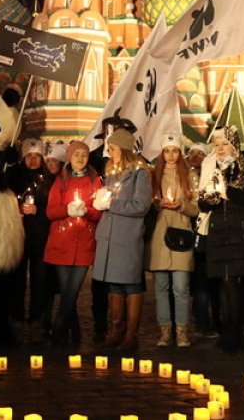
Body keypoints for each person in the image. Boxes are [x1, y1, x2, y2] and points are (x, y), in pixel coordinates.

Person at [199, 125, 244, 353]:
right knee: (225, 282)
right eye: (216, 145)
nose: (220, 149)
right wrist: (211, 198)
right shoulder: (211, 167)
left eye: (224, 144)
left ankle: (243, 331)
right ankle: (228, 331)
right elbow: (202, 202)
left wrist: (228, 191)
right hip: (220, 232)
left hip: (242, 232)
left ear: (234, 144)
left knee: (242, 284)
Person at [91, 128, 152, 351]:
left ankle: (131, 335)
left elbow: (141, 205)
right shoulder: (112, 172)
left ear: (124, 149)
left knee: (131, 285)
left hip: (127, 237)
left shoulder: (140, 173)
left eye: (113, 148)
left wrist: (111, 204)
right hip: (109, 236)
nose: (110, 152)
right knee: (114, 284)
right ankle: (115, 330)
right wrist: (99, 199)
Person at [43, 140, 102, 346]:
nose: (80, 158)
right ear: (69, 158)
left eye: (84, 155)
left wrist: (87, 211)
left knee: (72, 291)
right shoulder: (61, 181)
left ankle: (58, 329)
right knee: (67, 291)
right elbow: (50, 212)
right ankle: (74, 334)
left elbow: (99, 212)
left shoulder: (95, 181)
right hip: (62, 243)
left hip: (84, 243)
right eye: (76, 154)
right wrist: (67, 209)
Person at [145, 131, 199, 348]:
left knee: (181, 288)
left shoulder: (190, 176)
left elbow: (197, 208)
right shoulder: (153, 176)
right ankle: (165, 331)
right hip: (159, 236)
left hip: (182, 234)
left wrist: (182, 205)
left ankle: (182, 332)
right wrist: (156, 204)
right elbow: (146, 203)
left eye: (174, 150)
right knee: (160, 288)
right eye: (166, 151)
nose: (170, 155)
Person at [9, 138, 54, 342]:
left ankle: (37, 317)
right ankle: (16, 316)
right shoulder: (14, 176)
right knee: (17, 278)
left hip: (40, 235)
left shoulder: (48, 179)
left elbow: (52, 206)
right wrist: (17, 208)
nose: (33, 160)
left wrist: (40, 211)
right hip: (18, 233)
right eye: (29, 156)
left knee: (40, 278)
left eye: (37, 156)